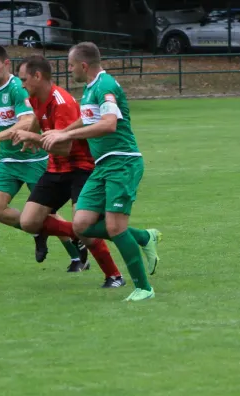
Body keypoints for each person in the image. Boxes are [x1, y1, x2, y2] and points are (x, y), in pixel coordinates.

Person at [39, 42, 162, 302]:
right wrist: (63, 132)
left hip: (122, 162)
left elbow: (108, 124)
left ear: (84, 66)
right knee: (81, 225)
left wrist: (68, 133)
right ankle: (143, 236)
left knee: (115, 227)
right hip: (103, 165)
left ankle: (144, 288)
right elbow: (88, 117)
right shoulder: (90, 88)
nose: (69, 69)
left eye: (71, 65)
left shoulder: (105, 86)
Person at [12, 55, 125, 287]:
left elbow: (65, 147)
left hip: (81, 167)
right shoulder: (35, 97)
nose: (22, 85)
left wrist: (32, 136)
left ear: (37, 76)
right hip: (56, 168)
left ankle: (114, 276)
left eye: (24, 79)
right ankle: (76, 234)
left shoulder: (61, 102)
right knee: (29, 222)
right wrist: (33, 134)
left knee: (85, 227)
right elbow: (38, 118)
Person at [0, 45, 88, 267]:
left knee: (50, 212)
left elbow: (27, 120)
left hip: (33, 160)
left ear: (6, 63)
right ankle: (38, 232)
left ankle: (77, 257)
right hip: (8, 161)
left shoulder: (20, 88)